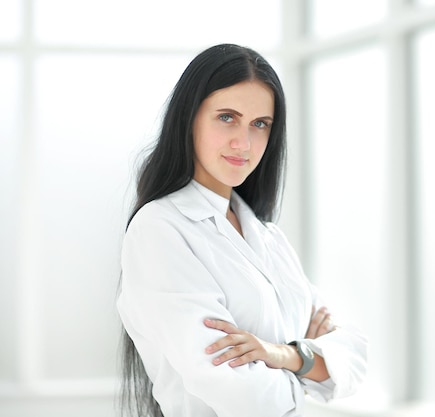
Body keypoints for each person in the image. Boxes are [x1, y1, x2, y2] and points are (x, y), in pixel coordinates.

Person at [117, 43, 368, 417]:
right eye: (227, 117)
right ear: (189, 119)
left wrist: (282, 354)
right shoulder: (160, 230)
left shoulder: (267, 236)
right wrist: (308, 366)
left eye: (260, 124)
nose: (244, 143)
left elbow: (354, 357)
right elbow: (241, 395)